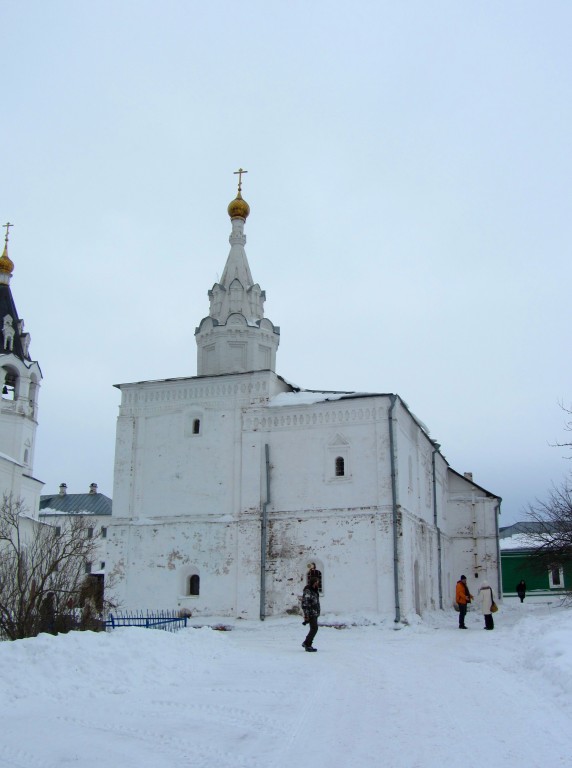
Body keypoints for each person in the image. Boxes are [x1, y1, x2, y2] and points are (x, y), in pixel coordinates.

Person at [301, 577, 321, 652]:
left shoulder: (314, 590)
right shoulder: (308, 591)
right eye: (316, 582)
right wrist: (306, 614)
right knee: (314, 628)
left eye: (318, 582)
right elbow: (305, 603)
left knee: (313, 628)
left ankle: (307, 643)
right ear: (313, 582)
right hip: (311, 613)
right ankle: (307, 644)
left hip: (315, 612)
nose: (317, 583)